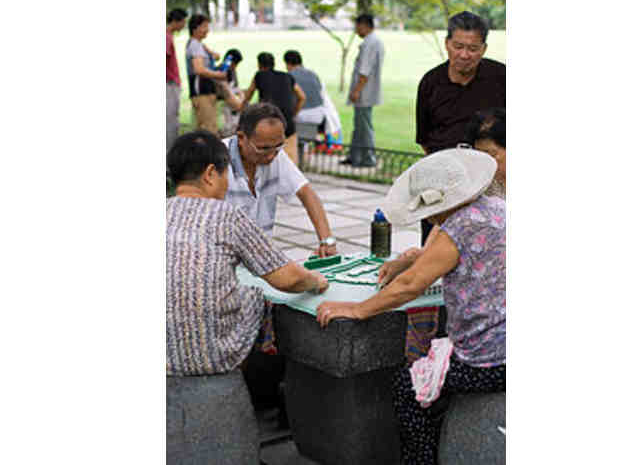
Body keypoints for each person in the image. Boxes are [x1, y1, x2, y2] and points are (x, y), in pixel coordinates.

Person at [316, 149, 505, 465]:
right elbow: (447, 259)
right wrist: (408, 261)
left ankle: (420, 460)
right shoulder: (497, 208)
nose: (430, 218)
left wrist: (357, 309)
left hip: (490, 360)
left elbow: (410, 285)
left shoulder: (459, 227)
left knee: (409, 386)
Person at [166, 131, 328, 461]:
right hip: (213, 356)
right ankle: (270, 394)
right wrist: (316, 280)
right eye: (226, 173)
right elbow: (287, 278)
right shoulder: (226, 216)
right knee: (253, 295)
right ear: (210, 174)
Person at [415, 11, 505, 244]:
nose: (464, 55)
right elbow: (425, 140)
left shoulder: (502, 78)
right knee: (432, 249)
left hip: (491, 186)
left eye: (473, 48)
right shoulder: (430, 83)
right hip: (442, 183)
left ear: (484, 49)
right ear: (447, 44)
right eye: (458, 46)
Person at [223, 102, 338, 258]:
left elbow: (306, 192)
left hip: (262, 256)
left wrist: (327, 240)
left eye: (278, 146)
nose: (271, 156)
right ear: (241, 138)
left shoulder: (275, 154)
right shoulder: (217, 162)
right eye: (263, 148)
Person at [243, 52, 306, 165]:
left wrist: (241, 108)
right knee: (291, 161)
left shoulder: (259, 75)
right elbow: (302, 97)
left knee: (264, 157)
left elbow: (247, 96)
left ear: (259, 64)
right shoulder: (287, 76)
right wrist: (293, 113)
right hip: (288, 121)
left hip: (267, 121)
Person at [185, 14, 241, 136]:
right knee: (209, 130)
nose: (207, 30)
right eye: (205, 26)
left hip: (206, 90)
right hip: (202, 91)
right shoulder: (195, 45)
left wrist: (210, 52)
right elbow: (199, 69)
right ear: (195, 28)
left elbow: (216, 56)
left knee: (205, 128)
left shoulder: (199, 45)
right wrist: (218, 75)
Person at [341, 13, 385, 168]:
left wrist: (357, 90)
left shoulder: (370, 43)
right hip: (366, 91)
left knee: (364, 127)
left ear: (364, 25)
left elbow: (364, 71)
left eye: (357, 26)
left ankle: (368, 158)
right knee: (359, 125)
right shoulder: (373, 41)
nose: (356, 30)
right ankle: (354, 156)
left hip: (364, 93)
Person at [166, 8, 187, 152]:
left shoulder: (169, 36)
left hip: (171, 83)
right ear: (176, 21)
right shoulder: (166, 37)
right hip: (169, 84)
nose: (184, 25)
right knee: (170, 121)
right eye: (183, 22)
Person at [220, 48, 244, 137]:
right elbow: (225, 89)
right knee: (228, 127)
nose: (235, 66)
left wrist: (241, 98)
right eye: (235, 64)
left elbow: (236, 88)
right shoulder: (222, 71)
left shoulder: (233, 71)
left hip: (234, 101)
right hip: (226, 103)